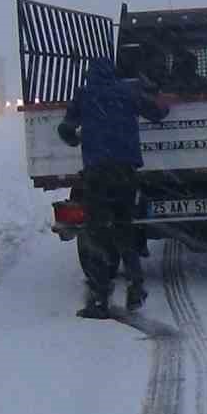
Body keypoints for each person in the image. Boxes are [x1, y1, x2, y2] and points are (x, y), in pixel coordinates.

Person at [59, 58, 170, 318]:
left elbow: (65, 129)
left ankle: (99, 299)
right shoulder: (127, 92)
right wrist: (160, 99)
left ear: (90, 76)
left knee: (98, 234)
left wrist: (76, 139)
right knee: (124, 228)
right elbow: (157, 113)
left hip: (97, 174)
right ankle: (136, 286)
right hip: (124, 173)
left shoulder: (84, 96)